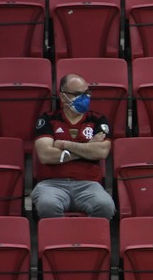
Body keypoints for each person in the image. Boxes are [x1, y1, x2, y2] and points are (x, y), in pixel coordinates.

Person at [31, 73, 115, 219]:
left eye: (87, 93)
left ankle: (87, 240)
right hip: (52, 184)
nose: (85, 98)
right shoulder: (48, 118)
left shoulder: (98, 119)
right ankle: (58, 241)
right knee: (47, 204)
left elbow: (101, 152)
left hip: (88, 184)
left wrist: (65, 145)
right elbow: (45, 155)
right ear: (63, 97)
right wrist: (86, 148)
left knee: (105, 205)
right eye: (78, 94)